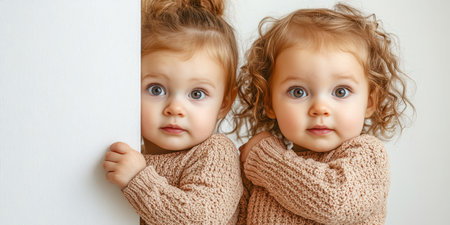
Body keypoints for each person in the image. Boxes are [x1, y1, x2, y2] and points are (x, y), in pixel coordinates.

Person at [233, 3, 414, 224]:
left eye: (340, 91)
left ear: (369, 101)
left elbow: (335, 202)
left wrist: (265, 160)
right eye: (298, 92)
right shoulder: (259, 170)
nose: (320, 108)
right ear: (269, 102)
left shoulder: (367, 156)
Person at [102, 0, 243, 224]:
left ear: (225, 103)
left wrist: (138, 181)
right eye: (156, 89)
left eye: (196, 94)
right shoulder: (132, 154)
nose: (175, 109)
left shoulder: (214, 153)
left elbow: (203, 219)